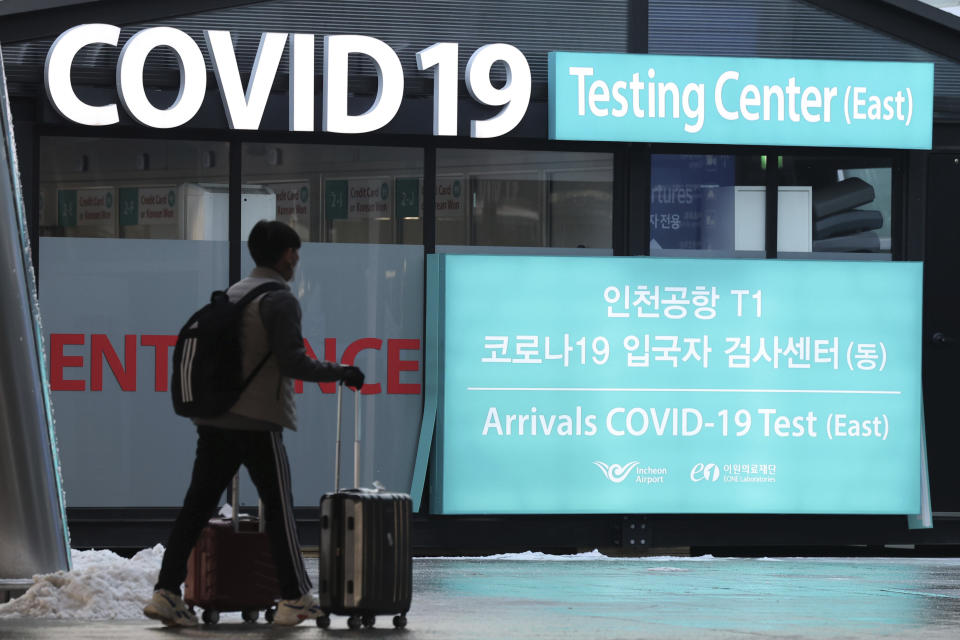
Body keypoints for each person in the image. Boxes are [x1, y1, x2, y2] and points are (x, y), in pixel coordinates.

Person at [143, 219, 364, 627]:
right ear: (284, 255)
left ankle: (167, 592)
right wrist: (342, 371)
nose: (297, 259)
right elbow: (293, 361)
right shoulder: (279, 300)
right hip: (257, 422)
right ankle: (296, 597)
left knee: (196, 507)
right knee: (279, 509)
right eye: (294, 252)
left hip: (214, 419)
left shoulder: (234, 293)